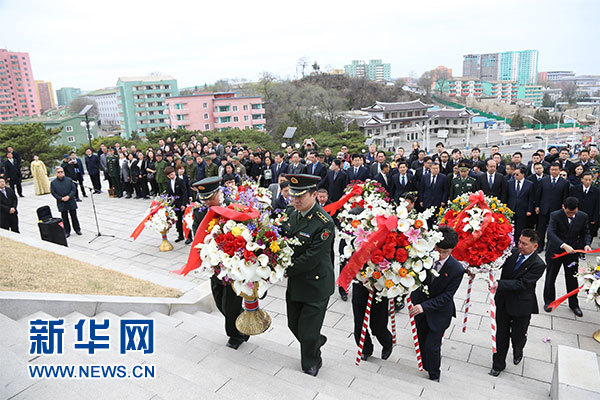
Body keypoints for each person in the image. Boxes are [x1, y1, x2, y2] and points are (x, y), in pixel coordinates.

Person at [281, 174, 335, 376]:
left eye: (300, 196)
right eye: (293, 196)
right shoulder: (291, 212)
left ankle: (312, 361)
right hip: (297, 281)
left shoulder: (324, 222)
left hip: (315, 283)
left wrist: (284, 268)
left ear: (314, 195)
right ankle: (315, 341)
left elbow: (312, 257)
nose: (295, 200)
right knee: (293, 324)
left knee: (308, 330)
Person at [191, 176, 248, 349]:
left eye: (210, 198)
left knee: (230, 305)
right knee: (218, 301)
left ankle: (235, 336)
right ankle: (243, 320)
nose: (207, 202)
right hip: (215, 264)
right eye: (204, 199)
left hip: (232, 265)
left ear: (218, 192)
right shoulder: (200, 211)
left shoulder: (233, 207)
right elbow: (197, 233)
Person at [409, 226, 464, 382]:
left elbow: (447, 296)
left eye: (444, 252)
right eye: (437, 250)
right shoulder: (423, 257)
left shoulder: (456, 269)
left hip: (439, 313)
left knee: (432, 346)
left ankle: (434, 373)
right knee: (421, 340)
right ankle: (426, 365)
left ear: (452, 250)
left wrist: (424, 307)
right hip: (419, 308)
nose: (439, 255)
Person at [489, 229, 546, 377]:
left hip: (521, 305)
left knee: (518, 336)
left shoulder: (538, 264)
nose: (520, 246)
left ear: (535, 246)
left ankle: (518, 350)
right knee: (501, 334)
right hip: (503, 301)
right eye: (519, 242)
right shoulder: (512, 253)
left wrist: (500, 284)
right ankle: (498, 364)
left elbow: (522, 283)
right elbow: (495, 263)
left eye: (524, 244)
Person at [543, 197, 592, 317]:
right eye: (569, 212)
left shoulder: (583, 216)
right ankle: (549, 301)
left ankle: (574, 304)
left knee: (572, 278)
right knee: (551, 276)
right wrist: (563, 245)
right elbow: (551, 233)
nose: (571, 215)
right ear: (563, 207)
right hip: (556, 251)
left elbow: (586, 233)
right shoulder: (555, 215)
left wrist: (586, 244)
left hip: (572, 252)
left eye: (573, 212)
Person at [535, 162, 569, 251]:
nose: (554, 171)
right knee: (541, 228)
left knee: (553, 229)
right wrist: (537, 206)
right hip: (544, 208)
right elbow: (538, 194)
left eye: (556, 170)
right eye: (552, 170)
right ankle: (539, 246)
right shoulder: (544, 180)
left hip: (556, 209)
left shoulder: (564, 182)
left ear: (559, 170)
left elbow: (565, 197)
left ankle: (551, 246)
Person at [50, 167, 81, 238]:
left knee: (74, 216)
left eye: (61, 171)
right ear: (56, 173)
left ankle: (77, 229)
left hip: (70, 200)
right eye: (58, 172)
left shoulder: (69, 180)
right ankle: (67, 231)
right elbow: (53, 192)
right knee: (64, 217)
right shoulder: (53, 183)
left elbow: (73, 189)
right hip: (62, 202)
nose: (60, 173)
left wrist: (68, 196)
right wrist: (61, 198)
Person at [506, 167, 534, 241]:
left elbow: (531, 198)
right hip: (511, 209)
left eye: (517, 174)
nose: (515, 176)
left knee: (520, 227)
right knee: (510, 227)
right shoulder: (509, 183)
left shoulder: (529, 184)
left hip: (522, 209)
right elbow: (507, 196)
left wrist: (529, 210)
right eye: (514, 174)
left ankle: (518, 241)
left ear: (523, 174)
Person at [570, 172, 599, 237]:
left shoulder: (596, 191)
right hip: (576, 216)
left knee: (588, 235)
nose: (588, 182)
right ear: (582, 179)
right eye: (586, 180)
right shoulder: (574, 189)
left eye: (589, 180)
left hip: (590, 217)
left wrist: (594, 219)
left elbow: (597, 206)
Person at [165, 166, 187, 243]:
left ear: (174, 172)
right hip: (175, 204)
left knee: (186, 220)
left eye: (172, 174)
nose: (171, 176)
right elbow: (169, 193)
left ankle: (189, 237)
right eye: (169, 175)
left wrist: (183, 204)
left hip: (181, 202)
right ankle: (180, 235)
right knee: (177, 220)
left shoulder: (180, 181)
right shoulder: (169, 182)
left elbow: (184, 193)